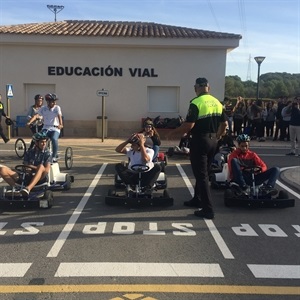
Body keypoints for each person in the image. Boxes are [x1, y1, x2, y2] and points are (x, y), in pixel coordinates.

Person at [168, 77, 227, 219]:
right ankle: (197, 199)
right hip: (213, 141)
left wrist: (172, 133)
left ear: (196, 88)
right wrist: (217, 136)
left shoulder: (196, 102)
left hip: (200, 140)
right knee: (204, 172)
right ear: (209, 87)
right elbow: (224, 124)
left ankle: (208, 209)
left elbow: (189, 125)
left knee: (201, 176)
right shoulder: (217, 102)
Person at [0, 131, 51, 199]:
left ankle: (28, 189)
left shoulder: (47, 153)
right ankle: (16, 189)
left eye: (45, 142)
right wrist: (28, 169)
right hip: (27, 176)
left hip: (40, 178)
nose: (44, 144)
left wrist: (35, 168)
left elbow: (46, 170)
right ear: (36, 143)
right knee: (3, 170)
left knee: (41, 166)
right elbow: (26, 167)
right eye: (42, 142)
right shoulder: (29, 152)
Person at [27, 93, 63, 162]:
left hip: (55, 128)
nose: (54, 102)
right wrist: (30, 122)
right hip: (46, 128)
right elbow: (36, 115)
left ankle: (54, 156)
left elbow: (59, 116)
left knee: (54, 139)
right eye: (53, 101)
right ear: (48, 102)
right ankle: (38, 154)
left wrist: (61, 124)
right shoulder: (44, 108)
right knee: (38, 138)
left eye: (55, 101)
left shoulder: (57, 108)